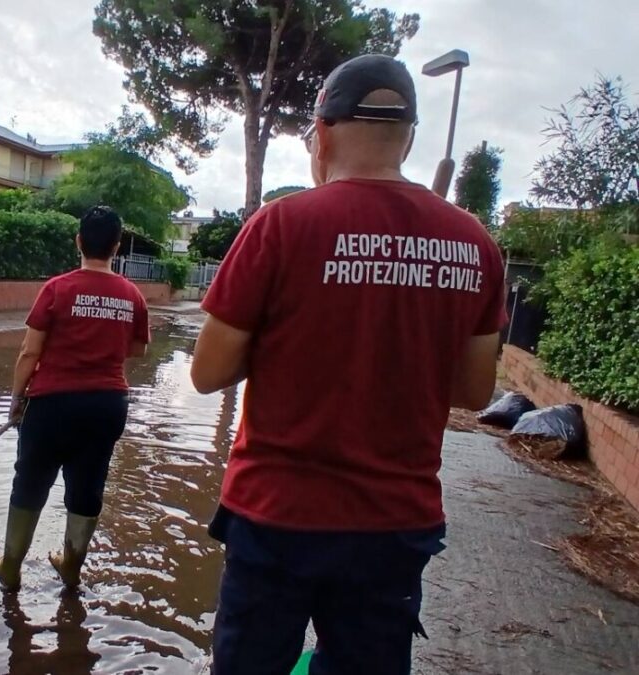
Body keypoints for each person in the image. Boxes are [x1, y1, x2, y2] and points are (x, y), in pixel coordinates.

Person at [191, 54, 507, 674]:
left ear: (323, 132)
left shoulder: (280, 226)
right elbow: (473, 391)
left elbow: (206, 372)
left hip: (276, 514)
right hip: (394, 524)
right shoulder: (474, 244)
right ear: (409, 136)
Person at [0, 205, 150, 592]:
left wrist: (16, 398)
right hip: (106, 405)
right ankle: (71, 566)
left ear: (78, 241)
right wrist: (102, 344)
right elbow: (138, 350)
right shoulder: (133, 295)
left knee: (31, 482)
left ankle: (11, 565)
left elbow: (30, 352)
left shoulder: (57, 288)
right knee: (88, 485)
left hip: (51, 405)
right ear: (117, 246)